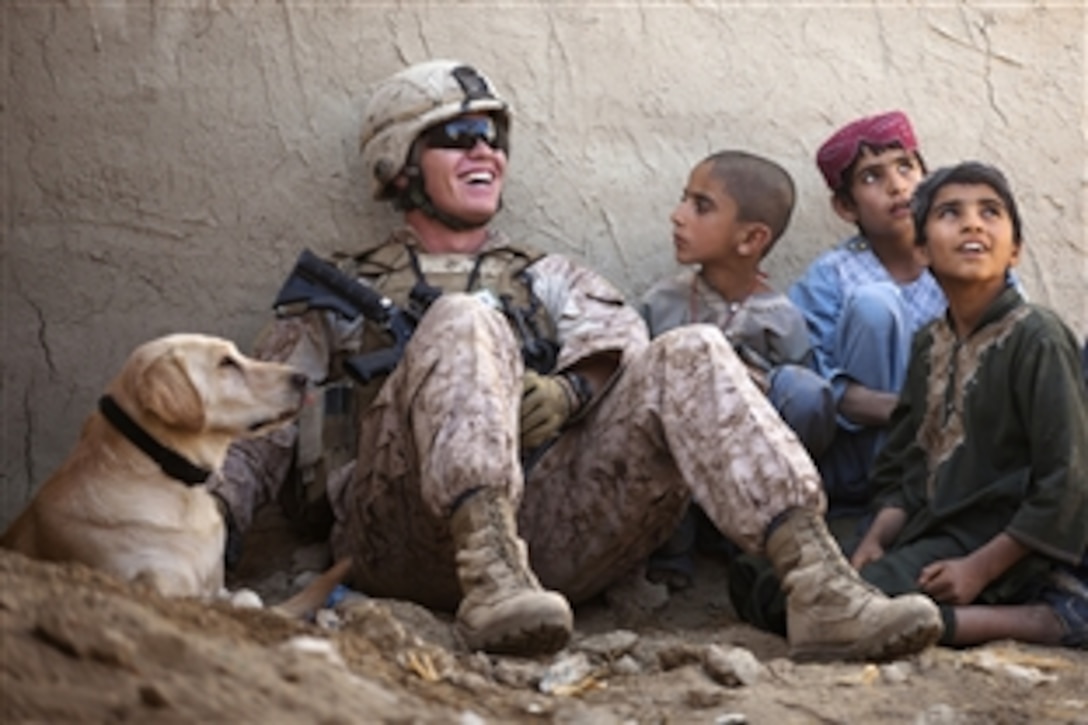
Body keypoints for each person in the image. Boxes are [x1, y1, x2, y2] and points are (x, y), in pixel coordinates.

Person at [209, 59, 943, 661]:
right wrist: (204, 527)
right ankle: (485, 575)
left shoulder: (546, 274)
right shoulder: (343, 289)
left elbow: (626, 349)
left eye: (494, 137)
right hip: (394, 534)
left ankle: (818, 585)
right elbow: (258, 428)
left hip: (550, 542)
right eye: (458, 135)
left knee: (692, 347)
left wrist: (565, 394)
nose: (484, 151)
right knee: (465, 316)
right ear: (398, 163)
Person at [734, 161, 1088, 649]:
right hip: (923, 526)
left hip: (994, 541)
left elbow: (1066, 482)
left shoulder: (1038, 337)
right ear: (921, 250)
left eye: (990, 212)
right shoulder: (930, 341)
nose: (972, 224)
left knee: (841, 601)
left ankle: (1009, 613)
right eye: (950, 213)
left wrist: (976, 570)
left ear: (1016, 249)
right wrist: (876, 537)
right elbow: (905, 464)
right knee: (759, 577)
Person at [640, 150, 835, 589]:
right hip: (680, 472)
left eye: (700, 206)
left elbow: (802, 413)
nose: (678, 216)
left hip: (750, 467)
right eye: (683, 200)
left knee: (804, 391)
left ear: (750, 239)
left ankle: (761, 539)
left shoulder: (781, 318)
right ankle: (673, 550)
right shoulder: (663, 302)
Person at [788, 111, 946, 516]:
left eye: (906, 167)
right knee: (876, 304)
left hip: (951, 448)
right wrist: (917, 412)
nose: (897, 186)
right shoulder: (832, 275)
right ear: (845, 206)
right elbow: (817, 386)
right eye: (872, 177)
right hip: (864, 457)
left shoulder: (962, 256)